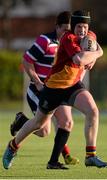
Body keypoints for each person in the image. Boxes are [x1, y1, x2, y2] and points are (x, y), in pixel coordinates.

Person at [2, 10, 107, 170]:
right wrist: (98, 53)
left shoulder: (89, 36)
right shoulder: (68, 38)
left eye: (85, 27)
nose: (82, 30)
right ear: (73, 27)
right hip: (53, 88)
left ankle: (90, 155)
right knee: (39, 125)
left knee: (92, 111)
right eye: (79, 26)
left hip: (73, 85)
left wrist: (91, 55)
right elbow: (79, 59)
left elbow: (90, 45)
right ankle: (12, 146)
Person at [9, 11, 79, 165]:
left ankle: (64, 156)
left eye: (70, 30)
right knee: (43, 131)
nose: (67, 33)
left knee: (65, 122)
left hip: (57, 90)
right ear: (57, 27)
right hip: (38, 90)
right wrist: (39, 83)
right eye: (64, 29)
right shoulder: (45, 40)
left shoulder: (71, 43)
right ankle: (22, 121)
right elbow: (27, 61)